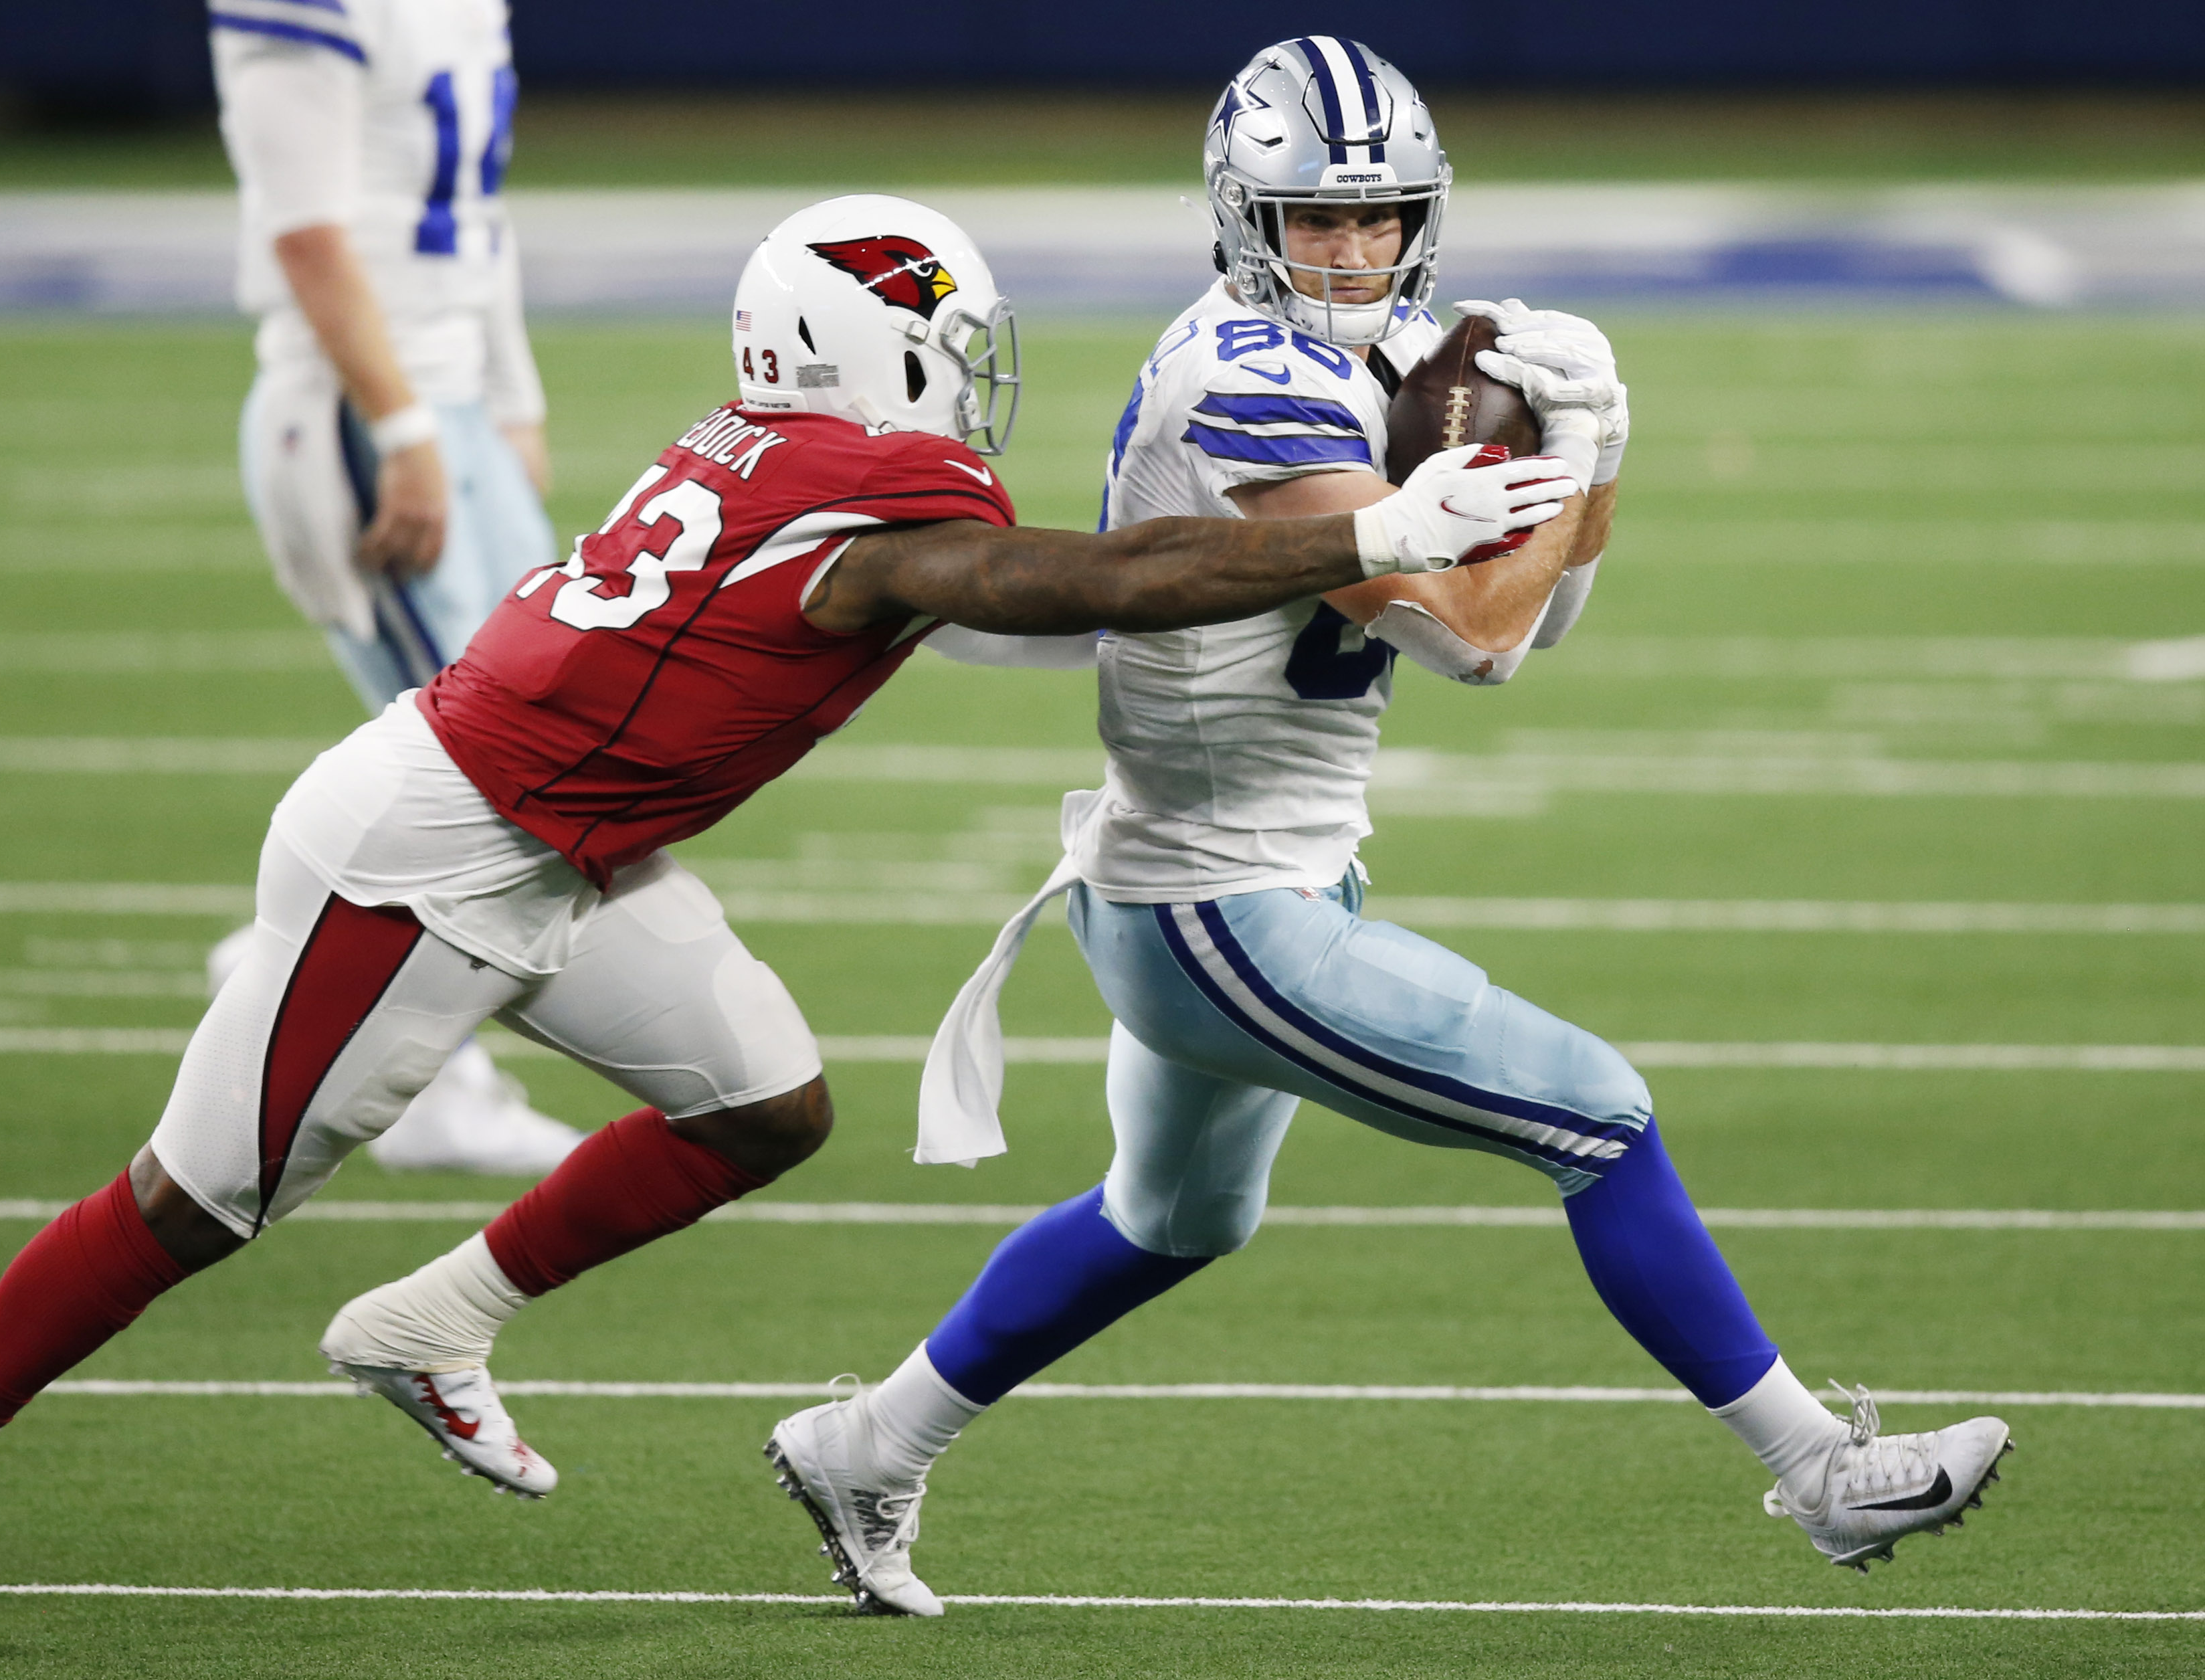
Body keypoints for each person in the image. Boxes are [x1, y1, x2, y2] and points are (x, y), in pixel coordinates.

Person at [0, 193, 1577, 1651]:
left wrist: (1287, 560)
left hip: (570, 842)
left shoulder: (776, 448)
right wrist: (1374, 532)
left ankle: (433, 1320)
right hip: (430, 857)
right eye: (952, 354)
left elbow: (1044, 603)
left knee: (763, 1103)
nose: (973, 383)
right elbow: (1083, 585)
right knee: (196, 1201)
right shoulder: (873, 501)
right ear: (875, 352)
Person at [762, 40, 2012, 1619]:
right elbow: (1468, 638)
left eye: (1377, 218)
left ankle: (867, 1441)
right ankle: (1817, 1466)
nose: (1351, 255)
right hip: (1219, 903)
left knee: (1170, 1215)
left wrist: (1587, 474)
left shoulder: (1405, 351)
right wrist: (1585, 462)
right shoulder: (1248, 376)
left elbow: (1536, 622)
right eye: (1311, 223)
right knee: (1596, 1113)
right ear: (1239, 218)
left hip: (1237, 874)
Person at [206, 0, 576, 1174]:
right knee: (491, 779)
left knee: (531, 758)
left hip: (446, 402)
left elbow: (475, 214)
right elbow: (302, 229)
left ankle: (276, 969)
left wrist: (505, 400)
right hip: (361, 409)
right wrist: (407, 424)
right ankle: (426, 1081)